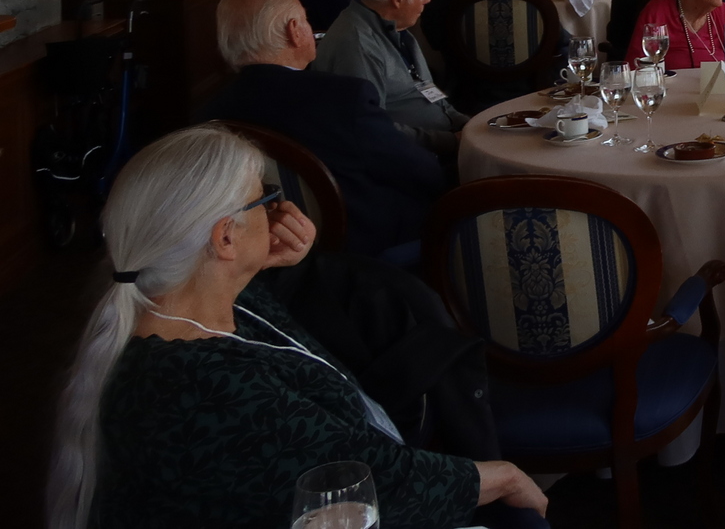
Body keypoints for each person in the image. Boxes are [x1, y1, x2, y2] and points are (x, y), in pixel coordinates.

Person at [45, 124, 547, 529]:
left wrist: (256, 265)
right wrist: (502, 477)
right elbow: (372, 481)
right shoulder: (202, 388)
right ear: (224, 237)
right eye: (263, 199)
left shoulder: (187, 305)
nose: (278, 209)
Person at [202, 0, 446, 257]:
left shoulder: (210, 116)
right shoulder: (343, 98)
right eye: (306, 20)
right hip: (366, 250)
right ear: (294, 30)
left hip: (266, 253)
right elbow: (416, 170)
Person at [315, 0, 467, 156]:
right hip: (415, 156)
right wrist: (451, 142)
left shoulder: (397, 29)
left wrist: (466, 125)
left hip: (444, 138)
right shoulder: (358, 46)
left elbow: (427, 90)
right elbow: (371, 129)